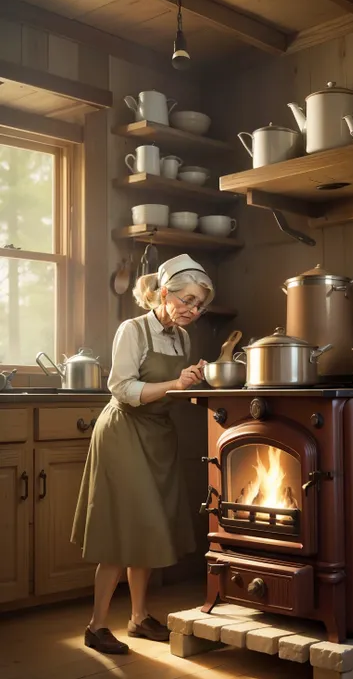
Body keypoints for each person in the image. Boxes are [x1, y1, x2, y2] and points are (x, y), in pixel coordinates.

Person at [71, 254, 214, 655]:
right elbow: (122, 389)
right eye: (186, 300)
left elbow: (171, 390)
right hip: (123, 432)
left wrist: (195, 379)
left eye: (199, 305)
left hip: (158, 434)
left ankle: (137, 617)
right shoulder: (132, 330)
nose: (192, 310)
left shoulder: (182, 338)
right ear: (164, 293)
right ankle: (96, 625)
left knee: (149, 526)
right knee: (122, 530)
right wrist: (176, 381)